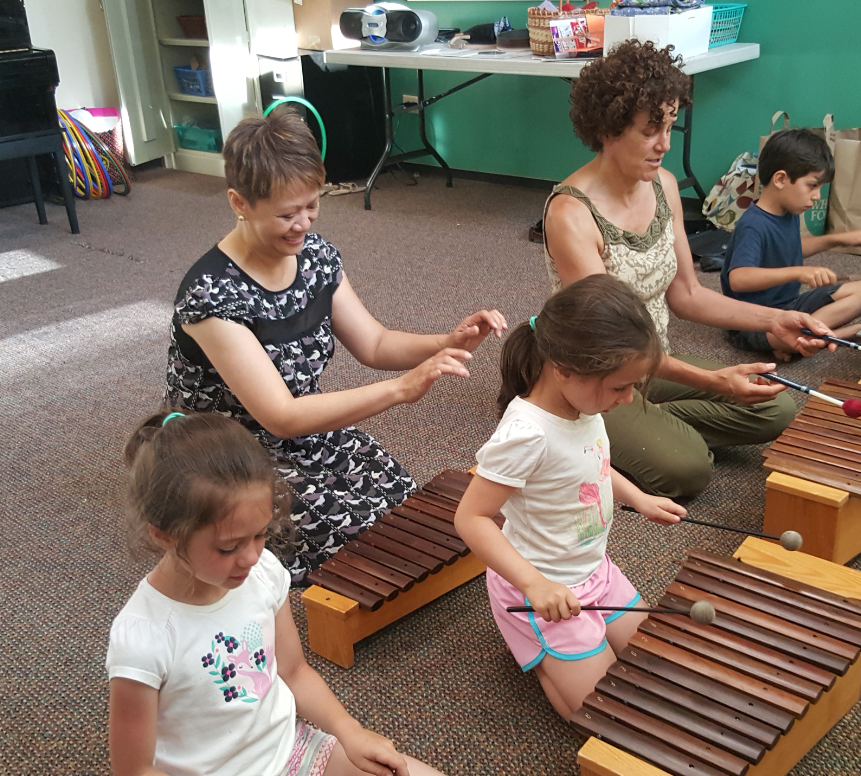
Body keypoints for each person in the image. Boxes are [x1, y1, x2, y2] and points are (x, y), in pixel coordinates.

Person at [165, 108, 506, 584]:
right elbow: (279, 415)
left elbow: (374, 342)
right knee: (338, 536)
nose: (302, 224)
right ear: (239, 202)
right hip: (227, 453)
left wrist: (446, 341)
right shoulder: (212, 296)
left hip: (302, 426)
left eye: (312, 206)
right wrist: (400, 391)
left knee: (398, 503)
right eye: (286, 213)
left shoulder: (316, 257)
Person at [541, 40, 837, 500]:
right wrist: (713, 381)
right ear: (608, 129)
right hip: (597, 376)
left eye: (670, 127)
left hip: (653, 364)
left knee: (776, 406)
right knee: (689, 470)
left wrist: (774, 319)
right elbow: (612, 343)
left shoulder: (662, 185)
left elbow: (686, 295)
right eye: (650, 130)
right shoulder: (570, 214)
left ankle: (641, 426)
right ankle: (570, 424)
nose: (664, 145)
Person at [107, 410, 445, 776]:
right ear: (164, 535)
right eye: (228, 547)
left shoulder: (263, 572)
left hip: (293, 750)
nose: (251, 556)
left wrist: (351, 732)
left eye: (260, 534)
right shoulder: (144, 638)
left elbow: (294, 672)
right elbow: (134, 769)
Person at [454, 275, 686, 721]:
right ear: (563, 368)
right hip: (539, 587)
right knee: (601, 712)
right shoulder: (526, 435)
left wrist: (638, 497)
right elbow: (471, 518)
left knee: (657, 665)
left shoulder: (583, 406)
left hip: (595, 573)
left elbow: (592, 466)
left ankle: (566, 654)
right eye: (620, 387)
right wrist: (534, 584)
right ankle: (536, 648)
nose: (628, 398)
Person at [722, 128, 861, 358]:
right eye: (812, 185)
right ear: (781, 179)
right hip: (752, 322)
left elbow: (789, 249)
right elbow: (739, 279)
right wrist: (798, 272)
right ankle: (828, 336)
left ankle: (811, 338)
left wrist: (837, 239)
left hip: (789, 307)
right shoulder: (753, 225)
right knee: (783, 335)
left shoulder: (788, 212)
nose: (816, 196)